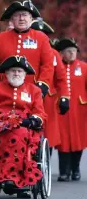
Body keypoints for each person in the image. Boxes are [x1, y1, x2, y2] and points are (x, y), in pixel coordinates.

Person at [0, 55, 46, 198]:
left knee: (19, 134)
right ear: (6, 73)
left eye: (19, 71)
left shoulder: (34, 90)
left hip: (23, 126)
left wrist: (33, 120)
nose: (16, 74)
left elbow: (39, 112)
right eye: (13, 71)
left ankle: (14, 178)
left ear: (24, 74)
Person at [0, 0, 54, 97]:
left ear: (31, 18)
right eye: (17, 15)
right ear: (12, 19)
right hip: (3, 91)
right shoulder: (0, 39)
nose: (21, 18)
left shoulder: (41, 38)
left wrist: (42, 85)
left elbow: (47, 65)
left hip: (32, 91)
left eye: (25, 15)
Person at [30, 20, 70, 150]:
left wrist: (64, 97)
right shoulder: (25, 50)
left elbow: (61, 78)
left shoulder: (54, 54)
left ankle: (46, 159)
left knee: (48, 133)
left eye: (45, 34)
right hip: (27, 93)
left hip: (48, 98)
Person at [54, 38, 87, 181]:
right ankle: (64, 171)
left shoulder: (84, 67)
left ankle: (75, 169)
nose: (72, 54)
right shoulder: (57, 66)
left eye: (74, 51)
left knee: (78, 140)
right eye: (69, 51)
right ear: (61, 53)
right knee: (63, 140)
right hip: (61, 109)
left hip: (79, 110)